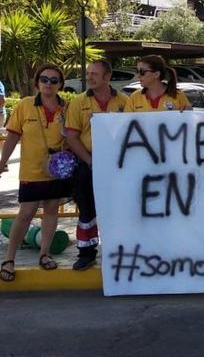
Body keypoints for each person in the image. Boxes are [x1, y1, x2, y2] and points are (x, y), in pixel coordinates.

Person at [0, 64, 72, 282]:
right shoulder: (26, 105)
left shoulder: (67, 107)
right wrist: (1, 164)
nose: (48, 83)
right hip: (31, 170)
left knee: (52, 209)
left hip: (56, 169)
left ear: (60, 85)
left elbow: (73, 137)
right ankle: (9, 259)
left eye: (54, 80)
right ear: (37, 82)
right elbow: (12, 137)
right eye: (44, 79)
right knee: (26, 213)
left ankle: (44, 253)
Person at [64, 60, 129, 270]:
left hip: (118, 164)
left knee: (119, 208)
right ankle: (86, 253)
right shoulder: (77, 102)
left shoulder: (125, 101)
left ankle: (120, 250)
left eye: (94, 74)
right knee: (87, 210)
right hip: (88, 162)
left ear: (107, 77)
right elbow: (72, 137)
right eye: (88, 73)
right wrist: (90, 161)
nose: (89, 77)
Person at [125, 55, 191, 112]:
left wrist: (188, 114)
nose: (138, 76)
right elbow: (126, 123)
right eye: (137, 71)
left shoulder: (178, 96)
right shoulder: (134, 97)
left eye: (142, 72)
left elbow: (189, 122)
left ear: (156, 74)